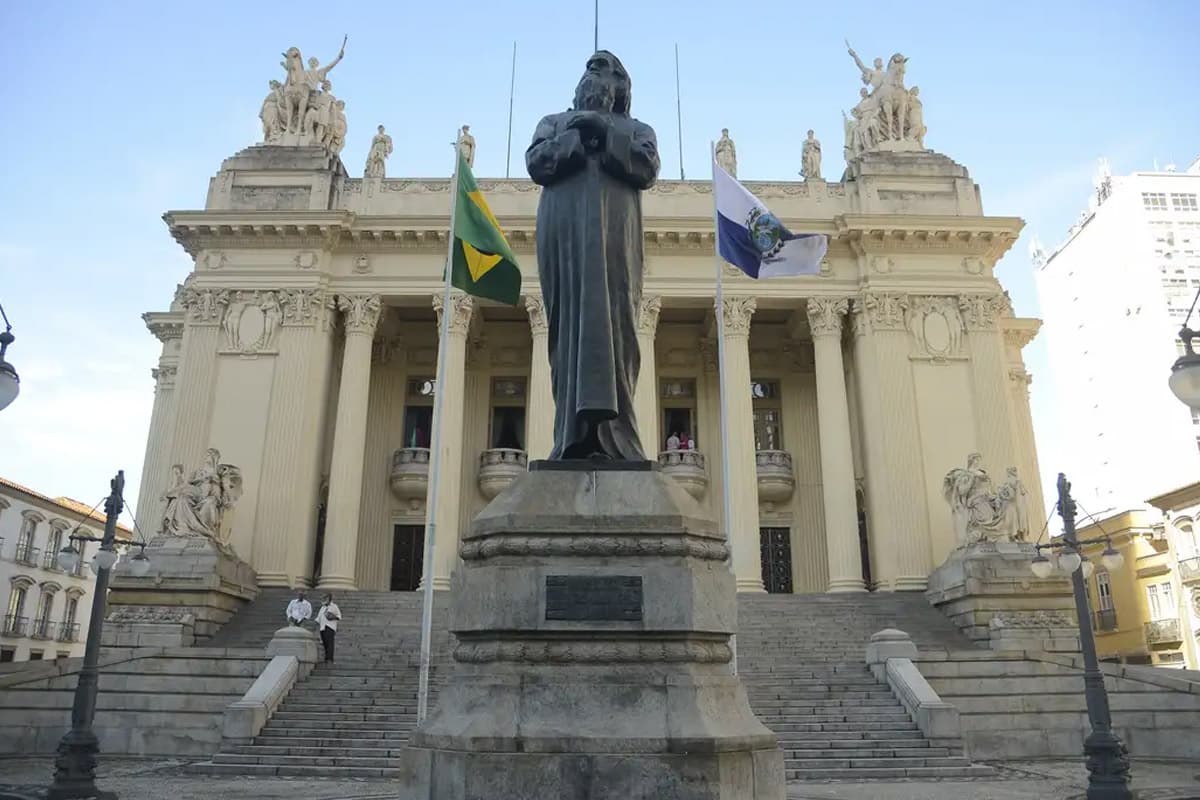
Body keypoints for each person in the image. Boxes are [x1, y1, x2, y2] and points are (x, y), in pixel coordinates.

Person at [526, 51, 660, 460]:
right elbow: (537, 162)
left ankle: (617, 438)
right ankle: (571, 437)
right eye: (590, 69)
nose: (595, 77)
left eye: (606, 71)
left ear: (621, 88)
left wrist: (605, 133)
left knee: (617, 328)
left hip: (615, 238)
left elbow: (647, 167)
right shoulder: (553, 122)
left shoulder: (637, 128)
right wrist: (578, 137)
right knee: (567, 332)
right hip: (564, 239)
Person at [315, 593, 341, 662]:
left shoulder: (334, 606)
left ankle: (330, 658)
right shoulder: (322, 607)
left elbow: (339, 616)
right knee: (325, 643)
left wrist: (332, 617)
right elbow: (318, 618)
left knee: (330, 643)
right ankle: (326, 658)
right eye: (323, 598)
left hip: (330, 627)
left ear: (329, 599)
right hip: (322, 627)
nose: (324, 600)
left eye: (325, 598)